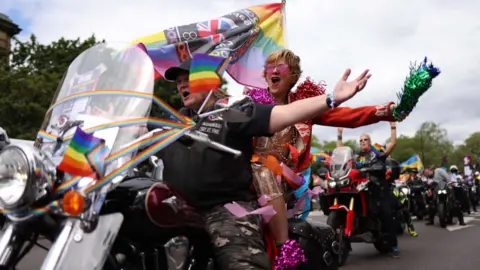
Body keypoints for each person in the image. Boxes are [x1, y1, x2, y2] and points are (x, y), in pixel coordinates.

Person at [158, 58, 372, 269]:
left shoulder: (233, 112)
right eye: (178, 82)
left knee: (241, 263)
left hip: (225, 209)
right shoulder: (169, 124)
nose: (182, 85)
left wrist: (332, 97)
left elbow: (285, 113)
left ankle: (282, 247)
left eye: (189, 78)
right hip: (176, 210)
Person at [244, 49, 406, 247]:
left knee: (289, 237)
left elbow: (349, 116)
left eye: (281, 67)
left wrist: (389, 111)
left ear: (293, 76)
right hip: (250, 181)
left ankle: (284, 250)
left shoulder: (306, 105)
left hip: (289, 186)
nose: (274, 71)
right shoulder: (250, 104)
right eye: (270, 67)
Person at [337, 122, 401, 254]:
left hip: (378, 188)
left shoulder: (377, 153)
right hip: (360, 189)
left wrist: (393, 127)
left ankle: (393, 245)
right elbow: (340, 154)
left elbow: (392, 144)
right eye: (361, 141)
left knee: (386, 214)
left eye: (365, 140)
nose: (363, 142)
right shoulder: (356, 156)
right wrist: (339, 135)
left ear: (370, 141)